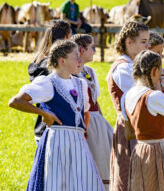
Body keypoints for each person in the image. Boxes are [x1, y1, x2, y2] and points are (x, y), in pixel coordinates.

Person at [9, 40, 105, 190]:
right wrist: (44, 114)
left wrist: (83, 132)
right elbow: (16, 101)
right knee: (57, 182)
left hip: (78, 142)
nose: (80, 60)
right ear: (62, 61)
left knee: (84, 182)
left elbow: (84, 112)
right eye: (76, 57)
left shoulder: (81, 84)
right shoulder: (47, 83)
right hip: (58, 141)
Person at [121, 50, 164, 190]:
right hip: (158, 151)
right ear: (154, 71)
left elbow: (129, 134)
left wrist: (158, 125)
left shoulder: (127, 95)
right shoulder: (153, 97)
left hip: (140, 151)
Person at [106, 21, 150, 191]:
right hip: (130, 126)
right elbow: (141, 97)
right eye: (143, 41)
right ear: (128, 41)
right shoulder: (124, 68)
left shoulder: (134, 65)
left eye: (148, 41)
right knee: (129, 176)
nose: (147, 45)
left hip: (140, 125)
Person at [71, 34, 113, 191]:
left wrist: (102, 121)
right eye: (92, 48)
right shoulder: (71, 73)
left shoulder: (89, 71)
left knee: (103, 159)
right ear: (82, 50)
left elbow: (95, 101)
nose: (95, 51)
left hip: (96, 121)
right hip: (83, 122)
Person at [28, 19, 72, 144]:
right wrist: (44, 113)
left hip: (47, 129)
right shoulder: (50, 66)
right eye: (71, 36)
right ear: (65, 38)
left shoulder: (40, 62)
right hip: (51, 130)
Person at [148, 30, 164, 97]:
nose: (160, 56)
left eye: (161, 52)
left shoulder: (163, 72)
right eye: (157, 53)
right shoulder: (142, 75)